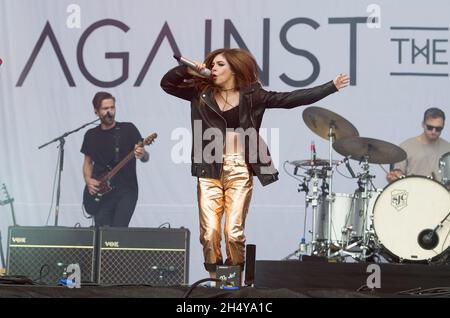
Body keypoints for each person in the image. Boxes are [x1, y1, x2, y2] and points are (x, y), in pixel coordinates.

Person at [160, 48, 349, 277]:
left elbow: (290, 99)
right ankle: (213, 279)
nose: (215, 69)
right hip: (209, 167)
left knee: (233, 232)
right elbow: (167, 84)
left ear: (234, 69)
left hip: (239, 167)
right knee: (209, 232)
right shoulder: (200, 92)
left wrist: (331, 87)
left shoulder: (252, 95)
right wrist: (188, 69)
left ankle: (233, 278)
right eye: (213, 64)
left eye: (221, 65)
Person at [81, 92, 149, 227]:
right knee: (102, 234)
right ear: (96, 112)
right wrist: (88, 180)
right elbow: (87, 162)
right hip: (102, 191)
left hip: (126, 190)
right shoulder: (91, 135)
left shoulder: (128, 129)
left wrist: (142, 154)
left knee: (118, 232)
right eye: (105, 109)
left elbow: (145, 157)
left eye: (112, 108)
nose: (110, 112)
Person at [387, 107, 450, 184]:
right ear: (423, 124)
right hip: (412, 193)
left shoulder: (448, 149)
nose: (433, 131)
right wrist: (394, 177)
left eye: (438, 129)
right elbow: (396, 175)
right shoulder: (406, 147)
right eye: (430, 127)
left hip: (441, 194)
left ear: (443, 127)